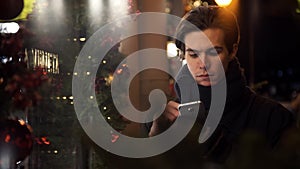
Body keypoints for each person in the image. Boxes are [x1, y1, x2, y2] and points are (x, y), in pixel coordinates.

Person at [146, 5, 296, 168]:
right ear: (183, 54)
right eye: (194, 54)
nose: (203, 64)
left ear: (232, 51)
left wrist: (217, 145)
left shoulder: (273, 118)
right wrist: (156, 137)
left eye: (214, 52)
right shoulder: (162, 120)